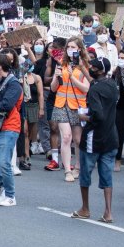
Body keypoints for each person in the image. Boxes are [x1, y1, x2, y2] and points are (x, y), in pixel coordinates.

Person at [73, 57, 118, 223]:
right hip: (111, 136)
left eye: (93, 66)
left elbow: (98, 114)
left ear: (100, 70)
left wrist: (83, 116)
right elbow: (94, 82)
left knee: (85, 173)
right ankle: (108, 212)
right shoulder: (112, 85)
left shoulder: (94, 91)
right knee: (107, 175)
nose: (90, 67)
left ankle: (85, 208)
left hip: (94, 137)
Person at [49, 36, 90, 181]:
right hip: (61, 104)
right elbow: (54, 89)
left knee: (78, 140)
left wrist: (73, 77)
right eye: (68, 47)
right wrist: (56, 77)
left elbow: (86, 88)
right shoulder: (61, 63)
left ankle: (78, 167)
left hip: (78, 106)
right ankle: (67, 170)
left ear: (79, 49)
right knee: (66, 137)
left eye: (73, 47)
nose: (70, 50)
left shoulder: (84, 64)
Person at [0, 54, 23, 207]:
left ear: (0, 67)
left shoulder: (14, 84)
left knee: (4, 162)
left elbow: (7, 104)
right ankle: (3, 185)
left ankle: (10, 195)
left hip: (9, 127)